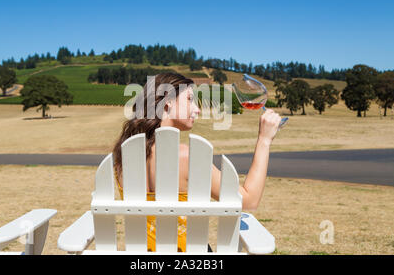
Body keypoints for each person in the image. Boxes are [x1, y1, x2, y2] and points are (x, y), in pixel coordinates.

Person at [112, 72, 282, 252]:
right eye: (189, 99)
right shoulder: (187, 157)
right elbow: (249, 201)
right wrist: (264, 139)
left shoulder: (121, 157)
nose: (197, 109)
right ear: (168, 103)